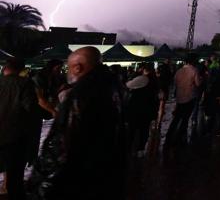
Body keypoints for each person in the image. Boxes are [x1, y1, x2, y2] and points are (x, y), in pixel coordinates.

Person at [28, 46, 126, 200]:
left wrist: (40, 188)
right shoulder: (114, 86)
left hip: (77, 180)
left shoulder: (79, 95)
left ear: (78, 68)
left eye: (68, 68)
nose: (66, 71)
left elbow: (60, 147)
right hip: (102, 175)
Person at [0, 58, 40, 200]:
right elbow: (33, 113)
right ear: (21, 70)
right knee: (15, 181)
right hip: (15, 140)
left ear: (5, 68)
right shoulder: (25, 84)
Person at [165, 54, 202, 146]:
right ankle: (179, 139)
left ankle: (168, 137)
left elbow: (175, 84)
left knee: (176, 119)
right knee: (185, 119)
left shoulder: (179, 71)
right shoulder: (194, 70)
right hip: (190, 98)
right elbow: (198, 84)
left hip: (179, 98)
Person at [125, 63, 159, 157]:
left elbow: (128, 85)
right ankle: (141, 149)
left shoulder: (143, 78)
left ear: (143, 69)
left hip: (137, 108)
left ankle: (129, 149)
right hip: (148, 109)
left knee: (132, 129)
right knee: (144, 130)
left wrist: (134, 75)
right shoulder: (154, 79)